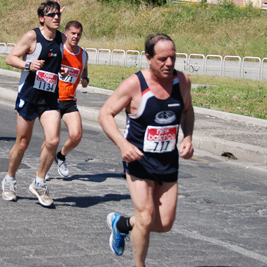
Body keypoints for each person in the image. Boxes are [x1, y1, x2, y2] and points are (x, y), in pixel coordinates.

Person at [98, 33, 194, 266]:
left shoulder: (181, 81)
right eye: (162, 59)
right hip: (139, 160)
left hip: (168, 161)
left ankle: (122, 224)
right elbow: (105, 114)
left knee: (165, 223)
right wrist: (123, 144)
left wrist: (188, 136)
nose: (169, 64)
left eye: (173, 57)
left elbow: (187, 111)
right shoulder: (134, 84)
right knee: (146, 215)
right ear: (148, 57)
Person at [1, 0, 67, 207]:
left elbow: (55, 62)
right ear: (41, 18)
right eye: (51, 15)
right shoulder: (32, 36)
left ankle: (39, 182)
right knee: (22, 143)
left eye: (58, 15)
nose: (56, 18)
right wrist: (28, 65)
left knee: (53, 140)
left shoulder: (62, 38)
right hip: (29, 96)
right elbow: (10, 58)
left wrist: (60, 70)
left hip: (49, 98)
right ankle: (9, 179)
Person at [54, 20, 89, 178]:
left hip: (69, 101)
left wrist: (85, 78)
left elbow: (85, 69)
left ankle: (60, 157)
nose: (76, 36)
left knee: (76, 135)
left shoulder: (83, 54)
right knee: (51, 139)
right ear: (66, 33)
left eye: (78, 34)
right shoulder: (58, 50)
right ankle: (42, 170)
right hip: (53, 100)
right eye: (73, 33)